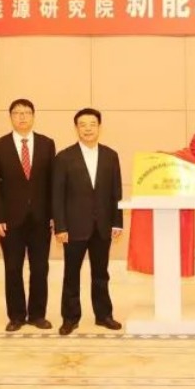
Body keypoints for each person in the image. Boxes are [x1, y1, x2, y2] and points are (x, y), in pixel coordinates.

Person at [52, 108, 123, 336]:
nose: (88, 129)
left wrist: (117, 222)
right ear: (76, 128)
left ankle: (104, 315)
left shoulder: (111, 155)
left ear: (99, 127)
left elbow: (116, 192)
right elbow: (57, 195)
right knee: (71, 275)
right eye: (83, 125)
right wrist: (60, 226)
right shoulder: (64, 157)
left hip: (103, 226)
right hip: (73, 227)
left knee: (101, 274)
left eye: (92, 124)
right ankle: (70, 318)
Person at [0, 99, 56, 332]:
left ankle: (37, 315)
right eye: (17, 113)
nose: (22, 117)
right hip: (10, 220)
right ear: (11, 117)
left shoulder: (47, 143)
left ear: (33, 116)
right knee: (13, 268)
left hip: (41, 219)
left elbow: (52, 182)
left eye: (26, 112)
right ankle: (16, 316)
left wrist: (54, 215)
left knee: (40, 268)